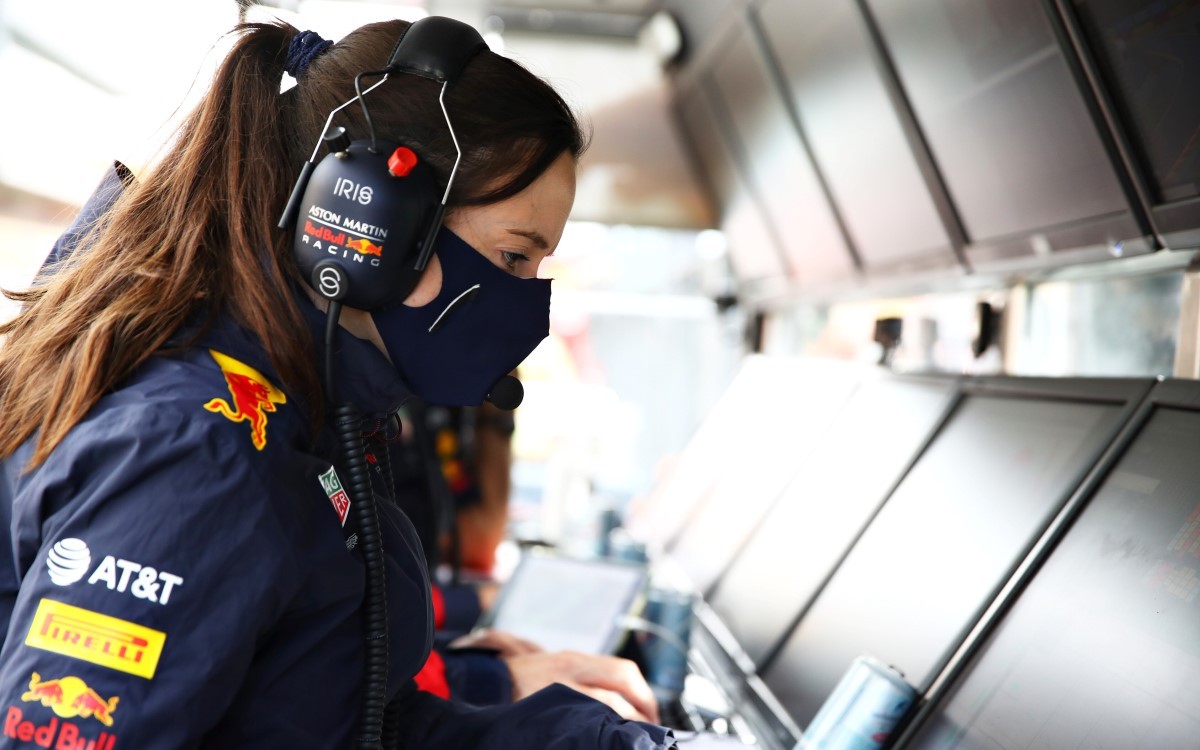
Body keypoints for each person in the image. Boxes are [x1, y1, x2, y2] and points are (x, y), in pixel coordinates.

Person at [0, 16, 674, 750]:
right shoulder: (200, 453)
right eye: (515, 258)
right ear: (372, 222)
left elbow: (324, 717)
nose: (528, 296)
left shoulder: (313, 413)